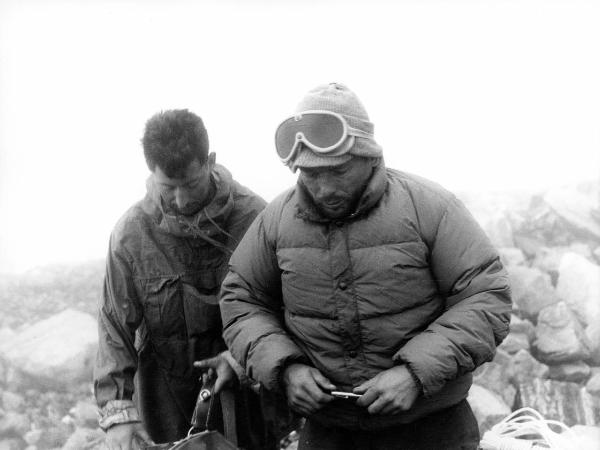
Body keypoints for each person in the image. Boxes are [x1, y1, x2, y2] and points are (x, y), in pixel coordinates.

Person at [219, 83, 512, 450]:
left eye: (338, 171)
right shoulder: (275, 221)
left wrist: (414, 374)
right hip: (329, 431)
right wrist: (285, 368)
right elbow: (240, 300)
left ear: (369, 155)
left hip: (432, 427)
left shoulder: (431, 207)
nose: (324, 188)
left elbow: (487, 297)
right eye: (310, 174)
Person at [93, 109, 269, 450]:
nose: (181, 199)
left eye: (190, 184)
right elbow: (115, 323)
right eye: (168, 188)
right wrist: (118, 411)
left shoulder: (256, 218)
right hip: (163, 397)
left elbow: (283, 306)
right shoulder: (131, 233)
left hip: (245, 392)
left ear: (210, 161)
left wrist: (241, 359)